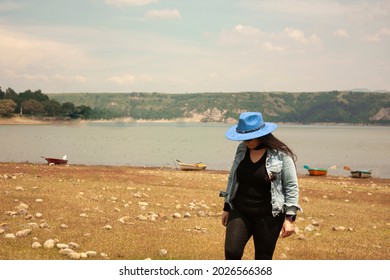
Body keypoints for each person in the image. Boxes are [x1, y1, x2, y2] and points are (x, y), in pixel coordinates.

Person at [220, 112, 301, 260]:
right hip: (240, 211)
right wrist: (226, 207)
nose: (245, 142)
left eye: (248, 139)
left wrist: (289, 218)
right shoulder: (242, 150)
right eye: (242, 138)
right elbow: (233, 178)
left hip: (269, 216)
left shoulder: (281, 155)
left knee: (263, 259)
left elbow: (291, 186)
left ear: (261, 135)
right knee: (232, 253)